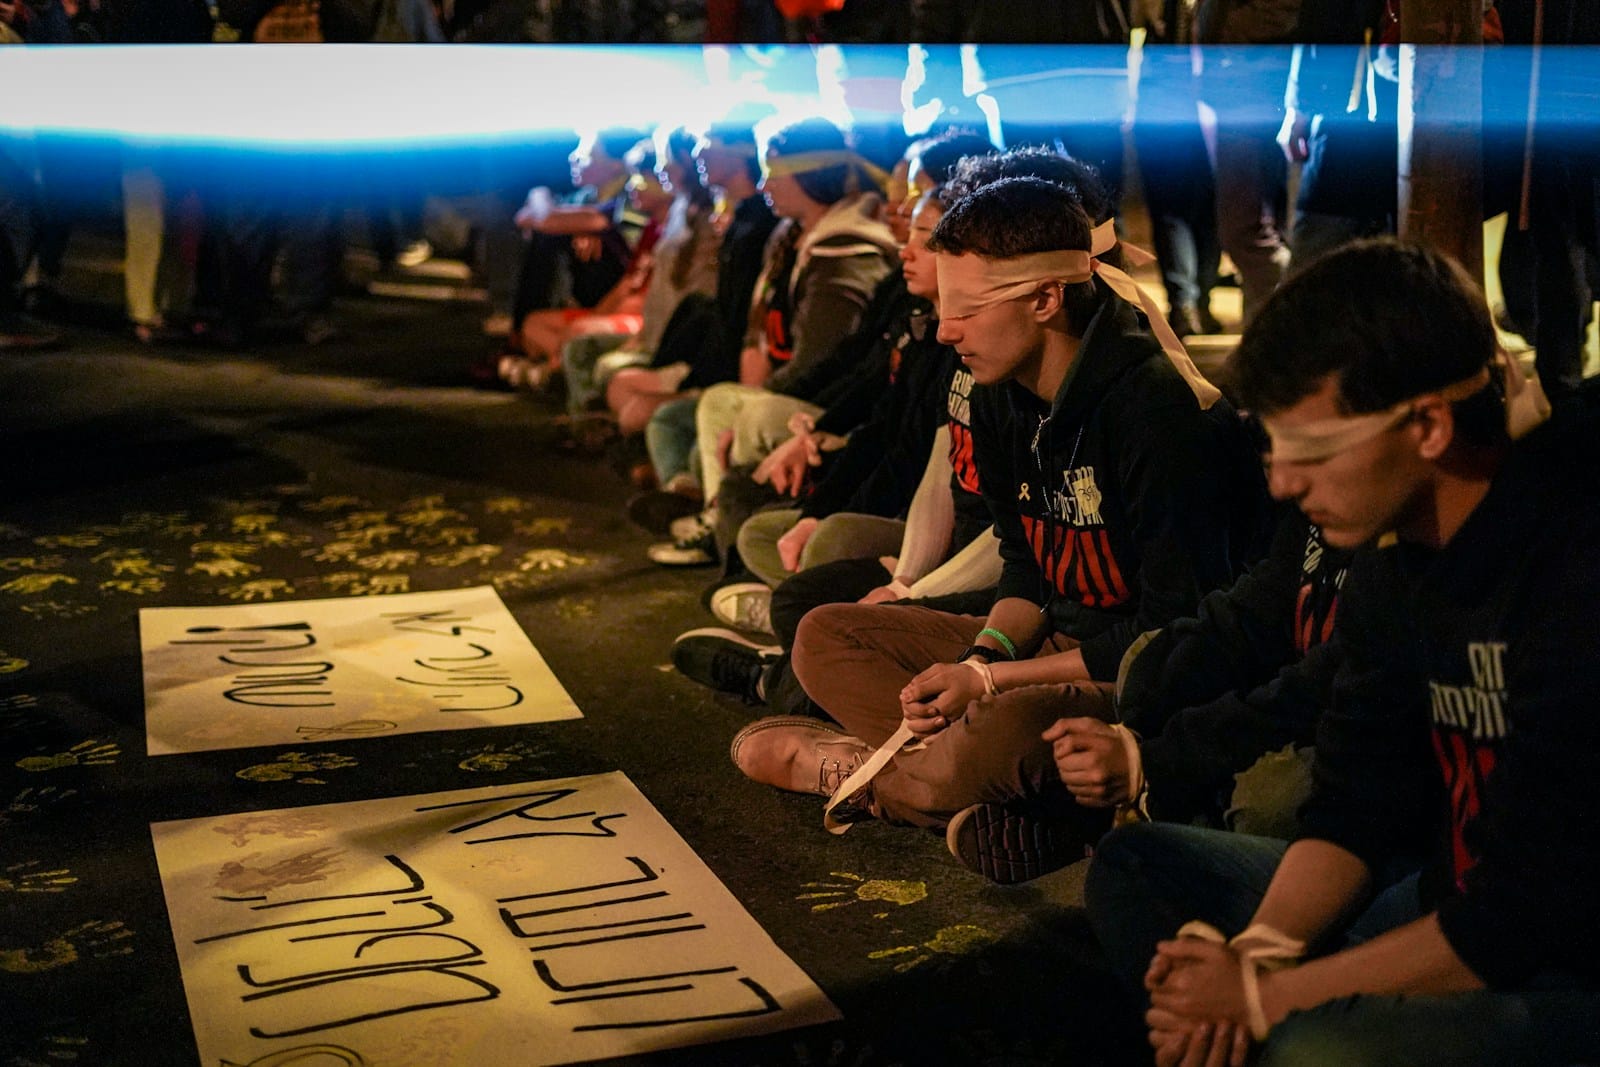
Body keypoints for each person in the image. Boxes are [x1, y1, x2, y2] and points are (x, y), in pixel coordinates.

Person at [1083, 238, 1600, 1067]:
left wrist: (1262, 995)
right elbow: (1357, 802)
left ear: (1428, 423)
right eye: (1272, 448)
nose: (1282, 483)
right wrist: (1256, 954)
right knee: (1138, 866)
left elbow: (1526, 911)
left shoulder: (1568, 571)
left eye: (1310, 451)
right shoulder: (1394, 562)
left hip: (1562, 960)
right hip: (1448, 905)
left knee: (1319, 1046)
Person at [730, 176, 1268, 846]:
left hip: (1137, 675)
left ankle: (876, 776)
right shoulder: (996, 390)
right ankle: (1001, 790)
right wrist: (983, 655)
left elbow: (1169, 631)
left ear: (1044, 298)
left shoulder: (1155, 411)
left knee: (1001, 731)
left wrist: (990, 680)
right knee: (825, 634)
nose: (947, 331)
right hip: (1044, 655)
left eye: (968, 309)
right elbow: (1025, 572)